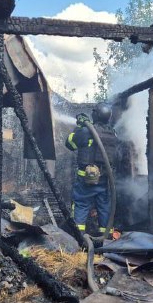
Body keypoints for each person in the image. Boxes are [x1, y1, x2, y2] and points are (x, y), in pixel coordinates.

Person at [64, 102, 119, 238]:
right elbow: (118, 155)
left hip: (86, 179)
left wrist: (79, 127)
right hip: (105, 179)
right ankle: (106, 239)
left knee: (81, 204)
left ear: (95, 114)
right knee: (105, 207)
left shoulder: (86, 131)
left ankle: (79, 237)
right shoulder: (113, 134)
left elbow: (69, 143)